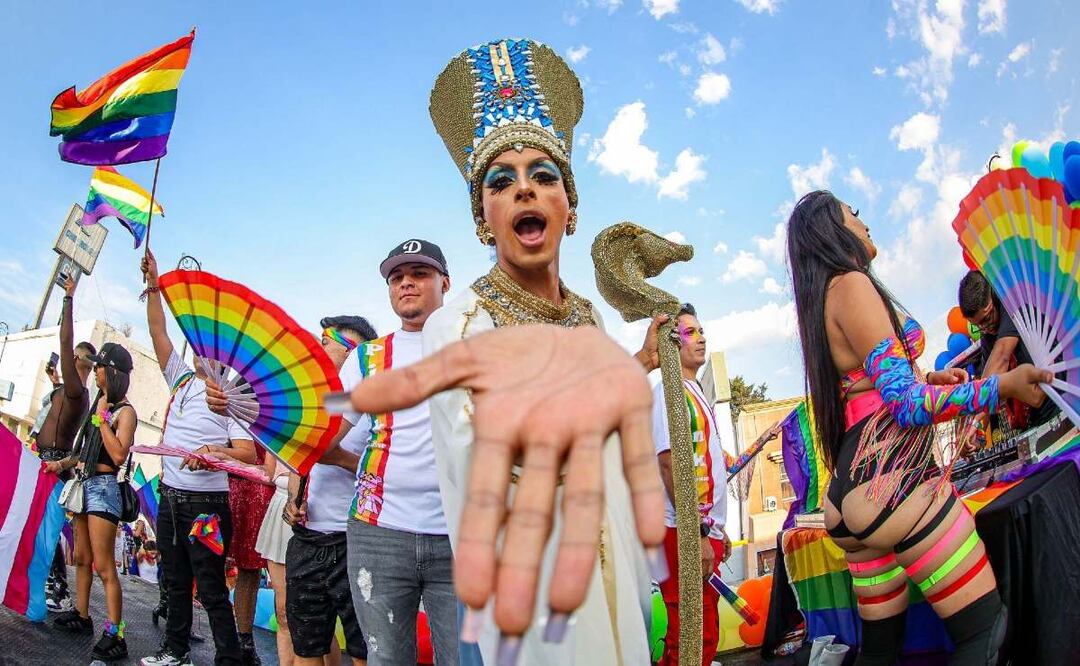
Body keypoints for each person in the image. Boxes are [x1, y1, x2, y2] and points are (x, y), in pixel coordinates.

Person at [335, 38, 667, 665]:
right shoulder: (458, 326)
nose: (524, 191)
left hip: (613, 570)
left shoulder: (590, 319)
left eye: (544, 176)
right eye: (501, 181)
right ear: (483, 217)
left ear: (569, 207)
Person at [786, 190, 1049, 664]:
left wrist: (928, 377)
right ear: (833, 228)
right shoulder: (851, 284)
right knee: (985, 631)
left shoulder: (822, 299)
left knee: (881, 653)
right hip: (893, 486)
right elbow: (906, 407)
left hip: (851, 500)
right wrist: (1001, 386)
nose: (864, 223)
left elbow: (866, 386)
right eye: (854, 214)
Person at [327, 240, 471, 666]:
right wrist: (259, 409)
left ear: (445, 283)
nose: (406, 282)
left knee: (463, 659)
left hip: (460, 535)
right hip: (379, 534)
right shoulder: (366, 358)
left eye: (419, 273)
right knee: (386, 659)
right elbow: (328, 422)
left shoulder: (474, 348)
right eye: (396, 277)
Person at [139, 250, 257, 666]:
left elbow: (248, 455)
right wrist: (154, 286)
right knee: (174, 582)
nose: (194, 349)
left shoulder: (232, 396)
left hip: (205, 506)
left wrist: (213, 453)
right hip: (170, 498)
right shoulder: (182, 380)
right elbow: (157, 332)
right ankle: (175, 650)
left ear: (219, 352)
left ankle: (229, 659)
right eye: (193, 341)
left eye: (204, 343)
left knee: (209, 588)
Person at [255, 315, 377, 666]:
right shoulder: (315, 404)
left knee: (363, 649)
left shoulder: (373, 404)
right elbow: (299, 464)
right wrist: (294, 501)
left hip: (355, 540)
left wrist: (338, 457)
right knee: (307, 646)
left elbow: (381, 473)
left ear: (354, 352)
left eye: (328, 339)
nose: (319, 345)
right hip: (307, 540)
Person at [650, 303, 732, 666]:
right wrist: (696, 533)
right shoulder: (667, 392)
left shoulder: (694, 391)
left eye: (701, 330)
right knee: (690, 637)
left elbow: (701, 464)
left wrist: (716, 528)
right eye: (690, 332)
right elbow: (670, 466)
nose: (701, 338)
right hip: (680, 532)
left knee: (704, 632)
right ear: (671, 342)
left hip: (701, 529)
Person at [47, 341, 137, 662]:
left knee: (104, 566)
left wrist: (102, 420)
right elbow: (83, 450)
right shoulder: (99, 403)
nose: (96, 371)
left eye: (99, 366)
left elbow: (118, 454)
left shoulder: (125, 412)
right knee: (82, 557)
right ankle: (82, 614)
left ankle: (117, 633)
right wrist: (62, 465)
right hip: (84, 485)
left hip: (104, 488)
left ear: (111, 372)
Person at [36, 276, 96, 613]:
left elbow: (65, 338)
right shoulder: (67, 387)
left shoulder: (78, 392)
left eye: (74, 358)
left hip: (55, 462)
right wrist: (52, 380)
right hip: (44, 457)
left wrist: (68, 299)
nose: (68, 360)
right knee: (41, 526)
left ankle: (58, 586)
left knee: (48, 528)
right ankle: (52, 582)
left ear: (83, 364)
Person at [958, 270, 1059, 433]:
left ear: (993, 297)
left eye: (986, 318)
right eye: (978, 326)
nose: (985, 328)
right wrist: (975, 427)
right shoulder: (987, 336)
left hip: (1061, 403)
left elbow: (1002, 356)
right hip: (1036, 419)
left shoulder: (1014, 305)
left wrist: (976, 408)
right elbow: (989, 384)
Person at [228, 446, 275, 665]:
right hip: (229, 485)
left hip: (261, 490)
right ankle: (237, 640)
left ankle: (243, 641)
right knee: (210, 563)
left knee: (251, 569)